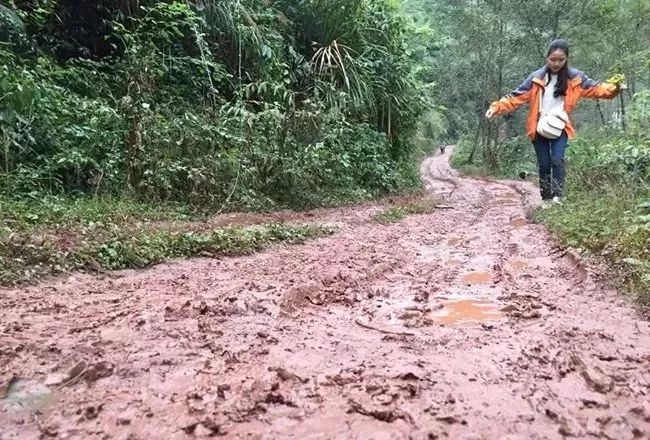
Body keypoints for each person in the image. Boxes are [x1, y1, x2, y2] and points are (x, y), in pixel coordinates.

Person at [485, 39, 625, 203]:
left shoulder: (576, 78)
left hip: (560, 126)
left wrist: (614, 88)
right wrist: (496, 107)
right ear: (547, 58)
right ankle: (546, 198)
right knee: (544, 164)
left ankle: (559, 197)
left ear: (566, 59)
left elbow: (596, 88)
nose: (556, 63)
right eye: (553, 59)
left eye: (561, 60)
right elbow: (516, 97)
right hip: (538, 127)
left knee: (557, 160)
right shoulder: (536, 78)